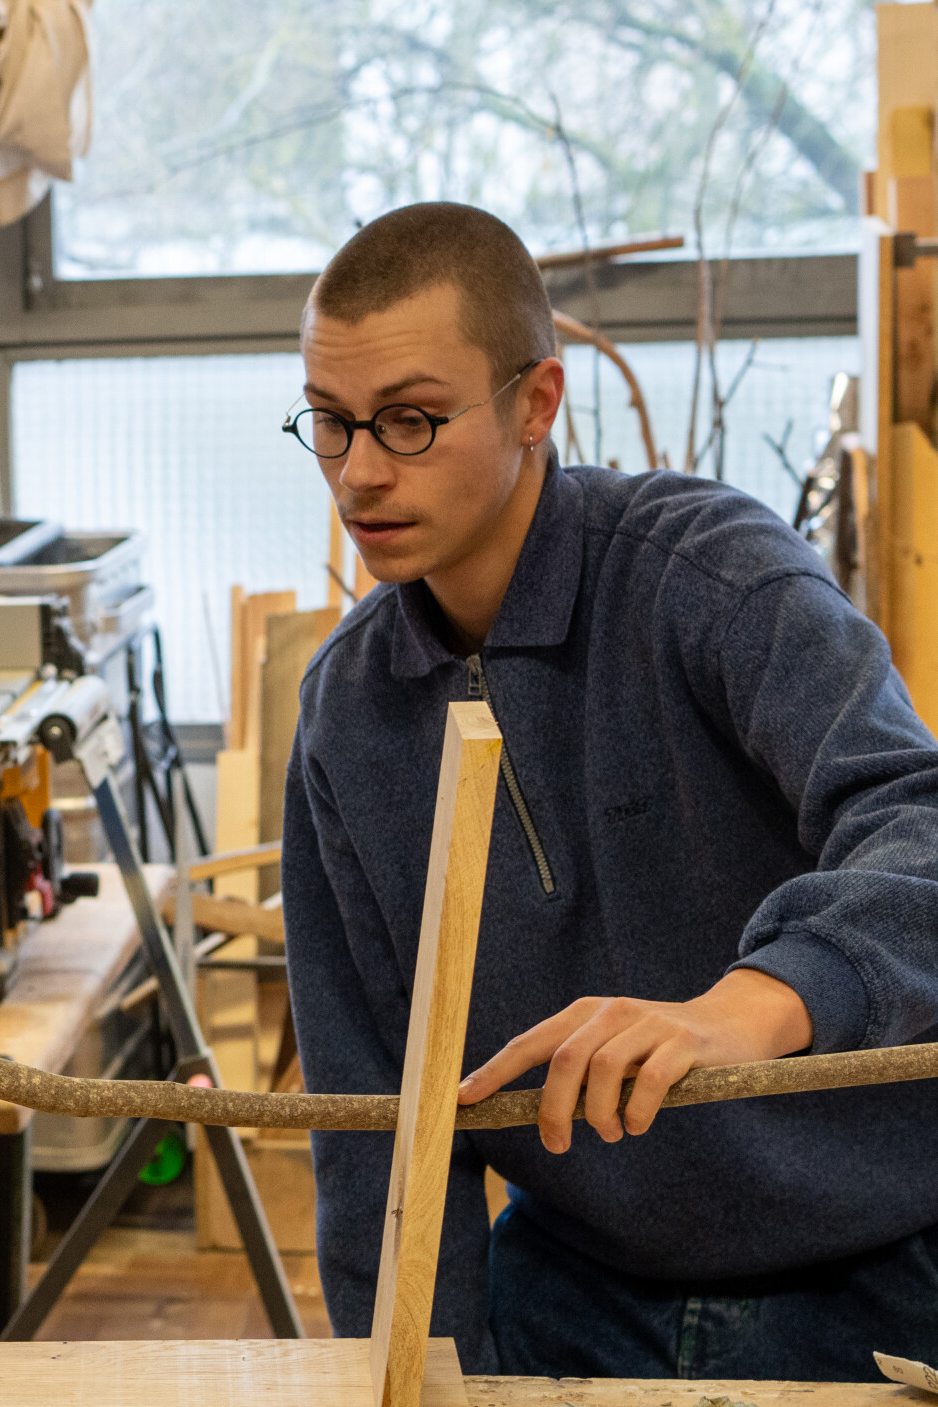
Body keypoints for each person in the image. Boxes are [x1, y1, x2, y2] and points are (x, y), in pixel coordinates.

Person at [281, 201, 938, 1379]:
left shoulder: (710, 578)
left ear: (537, 402)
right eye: (329, 425)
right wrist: (419, 1370)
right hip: (575, 1284)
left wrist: (754, 1002)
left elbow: (922, 824)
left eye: (411, 422)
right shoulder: (349, 716)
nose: (359, 474)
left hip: (880, 1268)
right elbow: (373, 1124)